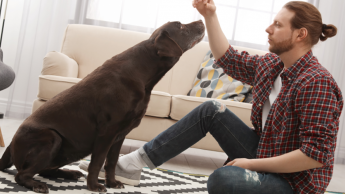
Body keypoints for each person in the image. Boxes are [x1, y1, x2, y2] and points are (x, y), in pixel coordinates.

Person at [79, 0, 343, 193]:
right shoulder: (272, 65)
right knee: (211, 110)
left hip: (294, 182)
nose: (268, 29)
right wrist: (209, 15)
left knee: (222, 180)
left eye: (277, 24)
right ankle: (132, 164)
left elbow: (314, 155)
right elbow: (228, 59)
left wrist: (250, 165)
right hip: (265, 154)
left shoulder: (316, 83)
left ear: (300, 34)